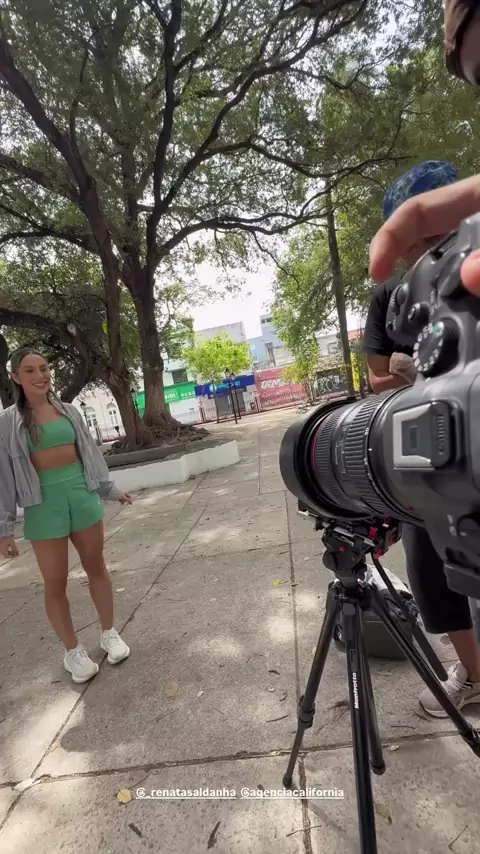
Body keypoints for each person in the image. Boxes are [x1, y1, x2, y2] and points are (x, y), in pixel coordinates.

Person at [364, 162, 480, 717]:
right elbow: (376, 376)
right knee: (433, 569)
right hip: (426, 444)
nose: (433, 255)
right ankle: (473, 673)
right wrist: (415, 374)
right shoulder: (394, 295)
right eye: (420, 245)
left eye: (442, 237)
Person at [0, 348, 132, 684]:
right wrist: (4, 529)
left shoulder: (69, 411)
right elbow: (3, 477)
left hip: (81, 495)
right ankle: (72, 651)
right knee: (55, 582)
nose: (40, 376)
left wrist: (110, 490)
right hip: (42, 505)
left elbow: (89, 454)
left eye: (44, 368)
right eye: (30, 371)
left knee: (96, 567)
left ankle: (109, 633)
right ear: (15, 377)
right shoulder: (7, 422)